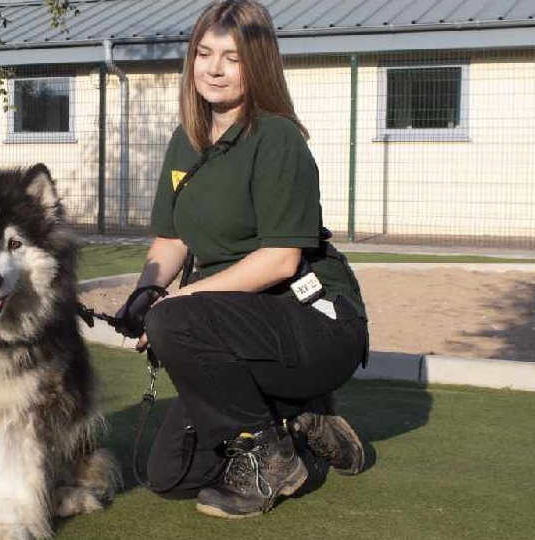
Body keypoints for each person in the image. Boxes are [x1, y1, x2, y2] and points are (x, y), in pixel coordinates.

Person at [119, 0, 370, 519]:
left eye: (231, 58)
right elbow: (172, 241)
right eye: (204, 53)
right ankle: (299, 418)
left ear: (257, 64)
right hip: (232, 325)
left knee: (176, 318)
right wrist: (144, 296)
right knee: (173, 476)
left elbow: (280, 260)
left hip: (315, 322)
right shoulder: (185, 140)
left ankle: (270, 458)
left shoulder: (277, 137)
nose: (213, 68)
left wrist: (175, 303)